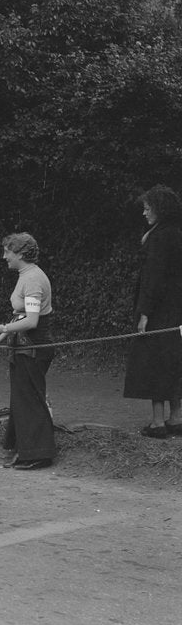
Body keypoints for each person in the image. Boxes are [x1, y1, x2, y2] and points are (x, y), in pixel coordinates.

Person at [0, 233, 56, 470]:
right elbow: (21, 313)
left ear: (21, 254)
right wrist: (3, 336)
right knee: (21, 398)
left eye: (8, 252)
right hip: (23, 346)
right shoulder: (26, 275)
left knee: (30, 399)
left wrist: (1, 327)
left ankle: (39, 454)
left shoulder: (33, 278)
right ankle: (25, 450)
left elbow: (32, 320)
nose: (4, 256)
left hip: (33, 347)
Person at [123, 185, 182, 438]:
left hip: (159, 312)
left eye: (148, 208)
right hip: (176, 309)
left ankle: (158, 422)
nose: (144, 213)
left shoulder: (159, 237)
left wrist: (144, 312)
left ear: (160, 209)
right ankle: (176, 417)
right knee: (174, 361)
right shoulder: (176, 233)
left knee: (155, 362)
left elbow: (153, 278)